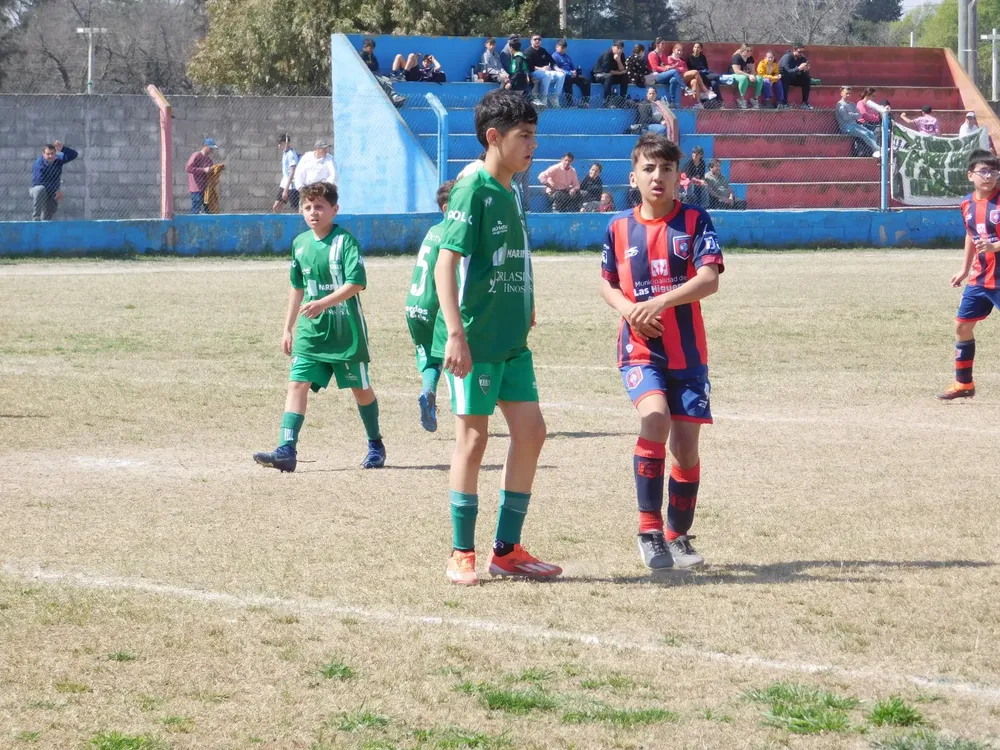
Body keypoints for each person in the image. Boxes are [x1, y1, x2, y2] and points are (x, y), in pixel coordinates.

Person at [431, 89, 561, 586]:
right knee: (473, 438)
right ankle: (460, 551)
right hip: (477, 340)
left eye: (534, 136)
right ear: (494, 137)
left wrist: (527, 302)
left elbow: (511, 258)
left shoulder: (511, 191)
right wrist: (457, 334)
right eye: (524, 137)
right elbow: (448, 263)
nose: (533, 147)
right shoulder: (473, 189)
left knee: (531, 432)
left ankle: (506, 550)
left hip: (511, 341)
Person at [599, 132, 724, 570]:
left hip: (687, 354)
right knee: (655, 418)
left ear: (678, 177)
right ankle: (649, 531)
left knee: (686, 447)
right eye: (648, 169)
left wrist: (662, 302)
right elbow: (607, 282)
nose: (658, 176)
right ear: (634, 176)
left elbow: (710, 279)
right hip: (640, 349)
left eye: (666, 169)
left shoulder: (695, 221)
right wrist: (632, 311)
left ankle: (678, 535)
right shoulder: (618, 228)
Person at [253, 181, 386, 472]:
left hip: (345, 332)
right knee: (297, 383)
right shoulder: (300, 244)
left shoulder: (344, 242)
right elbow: (297, 287)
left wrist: (323, 303)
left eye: (320, 207)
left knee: (360, 390)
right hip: (310, 332)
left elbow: (357, 283)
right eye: (308, 207)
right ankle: (286, 450)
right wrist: (287, 328)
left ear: (334, 210)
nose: (313, 212)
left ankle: (375, 444)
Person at [937, 150, 1000, 401]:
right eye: (983, 171)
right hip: (980, 278)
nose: (989, 176)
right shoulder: (966, 203)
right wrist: (963, 269)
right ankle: (964, 384)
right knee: (962, 326)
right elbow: (970, 235)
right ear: (970, 175)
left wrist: (996, 246)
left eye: (993, 171)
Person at [405, 179, 456, 433]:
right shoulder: (453, 233)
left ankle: (428, 392)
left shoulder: (433, 230)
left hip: (414, 305)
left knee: (431, 357)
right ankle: (465, 409)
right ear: (448, 208)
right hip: (436, 305)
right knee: (454, 354)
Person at [30, 140, 77, 221]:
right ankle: (36, 218)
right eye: (48, 154)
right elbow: (39, 182)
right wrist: (56, 190)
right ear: (43, 154)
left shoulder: (58, 160)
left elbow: (74, 155)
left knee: (51, 208)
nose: (51, 156)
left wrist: (63, 148)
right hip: (37, 190)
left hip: (51, 190)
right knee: (40, 189)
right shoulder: (38, 164)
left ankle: (45, 222)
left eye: (52, 153)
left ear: (55, 154)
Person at [836, 87, 881, 158]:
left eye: (849, 94)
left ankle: (876, 150)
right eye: (846, 93)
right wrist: (854, 114)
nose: (848, 95)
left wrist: (850, 114)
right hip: (846, 127)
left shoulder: (852, 104)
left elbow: (859, 115)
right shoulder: (840, 105)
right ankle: (878, 149)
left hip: (854, 124)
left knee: (870, 133)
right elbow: (845, 118)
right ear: (841, 94)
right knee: (865, 134)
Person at [525, 33, 565, 108]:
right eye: (535, 39)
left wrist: (557, 69)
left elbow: (552, 62)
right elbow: (529, 67)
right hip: (534, 73)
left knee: (562, 75)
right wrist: (542, 69)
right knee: (548, 74)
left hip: (546, 72)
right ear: (531, 41)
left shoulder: (543, 50)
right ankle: (543, 98)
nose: (537, 41)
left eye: (539, 39)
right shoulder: (528, 51)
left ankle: (555, 97)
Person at [552, 38, 591, 106]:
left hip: (572, 75)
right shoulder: (555, 56)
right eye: (562, 48)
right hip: (564, 76)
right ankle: (570, 103)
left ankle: (585, 101)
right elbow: (556, 68)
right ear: (557, 47)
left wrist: (574, 72)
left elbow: (572, 67)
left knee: (586, 80)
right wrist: (569, 73)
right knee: (568, 81)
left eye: (565, 48)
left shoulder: (567, 57)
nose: (563, 50)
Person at [646, 38, 683, 107]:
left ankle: (672, 102)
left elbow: (666, 64)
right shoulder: (652, 54)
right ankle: (684, 87)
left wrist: (669, 66)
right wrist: (665, 68)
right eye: (662, 44)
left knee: (673, 80)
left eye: (664, 44)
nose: (664, 45)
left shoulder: (663, 55)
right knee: (674, 71)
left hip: (663, 76)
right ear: (657, 44)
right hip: (655, 77)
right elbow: (655, 67)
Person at [185, 138, 217, 214]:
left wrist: (215, 170)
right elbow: (188, 168)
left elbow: (210, 173)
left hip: (206, 189)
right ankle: (193, 225)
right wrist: (203, 170)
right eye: (210, 148)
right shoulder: (196, 155)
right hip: (196, 189)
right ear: (205, 146)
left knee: (208, 211)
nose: (212, 151)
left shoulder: (209, 160)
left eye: (213, 149)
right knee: (196, 211)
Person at [592, 40, 628, 106]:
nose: (619, 50)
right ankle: (607, 101)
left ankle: (623, 99)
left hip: (612, 75)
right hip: (599, 75)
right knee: (608, 77)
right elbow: (607, 71)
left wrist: (618, 61)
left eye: (621, 49)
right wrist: (620, 73)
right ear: (613, 47)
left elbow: (622, 69)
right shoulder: (607, 54)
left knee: (624, 76)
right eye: (618, 48)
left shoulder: (621, 55)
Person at [778, 44, 812, 109]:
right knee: (785, 78)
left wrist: (806, 69)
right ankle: (784, 103)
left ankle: (805, 103)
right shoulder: (787, 57)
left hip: (793, 77)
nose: (801, 54)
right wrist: (799, 68)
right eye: (799, 52)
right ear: (794, 50)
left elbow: (803, 71)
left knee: (806, 79)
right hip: (783, 76)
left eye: (803, 52)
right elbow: (787, 71)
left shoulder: (802, 58)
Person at [272, 134, 300, 212]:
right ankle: (277, 223)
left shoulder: (291, 154)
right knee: (276, 206)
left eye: (280, 143)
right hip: (284, 183)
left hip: (292, 186)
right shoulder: (285, 153)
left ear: (286, 143)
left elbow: (292, 172)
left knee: (296, 209)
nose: (279, 146)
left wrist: (286, 190)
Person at [730, 44, 763, 109]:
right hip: (735, 76)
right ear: (743, 50)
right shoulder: (737, 57)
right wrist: (749, 75)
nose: (750, 52)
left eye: (751, 50)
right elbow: (736, 71)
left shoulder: (750, 58)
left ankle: (755, 99)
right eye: (747, 51)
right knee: (743, 78)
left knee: (759, 78)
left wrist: (753, 76)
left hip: (747, 76)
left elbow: (753, 71)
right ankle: (741, 100)